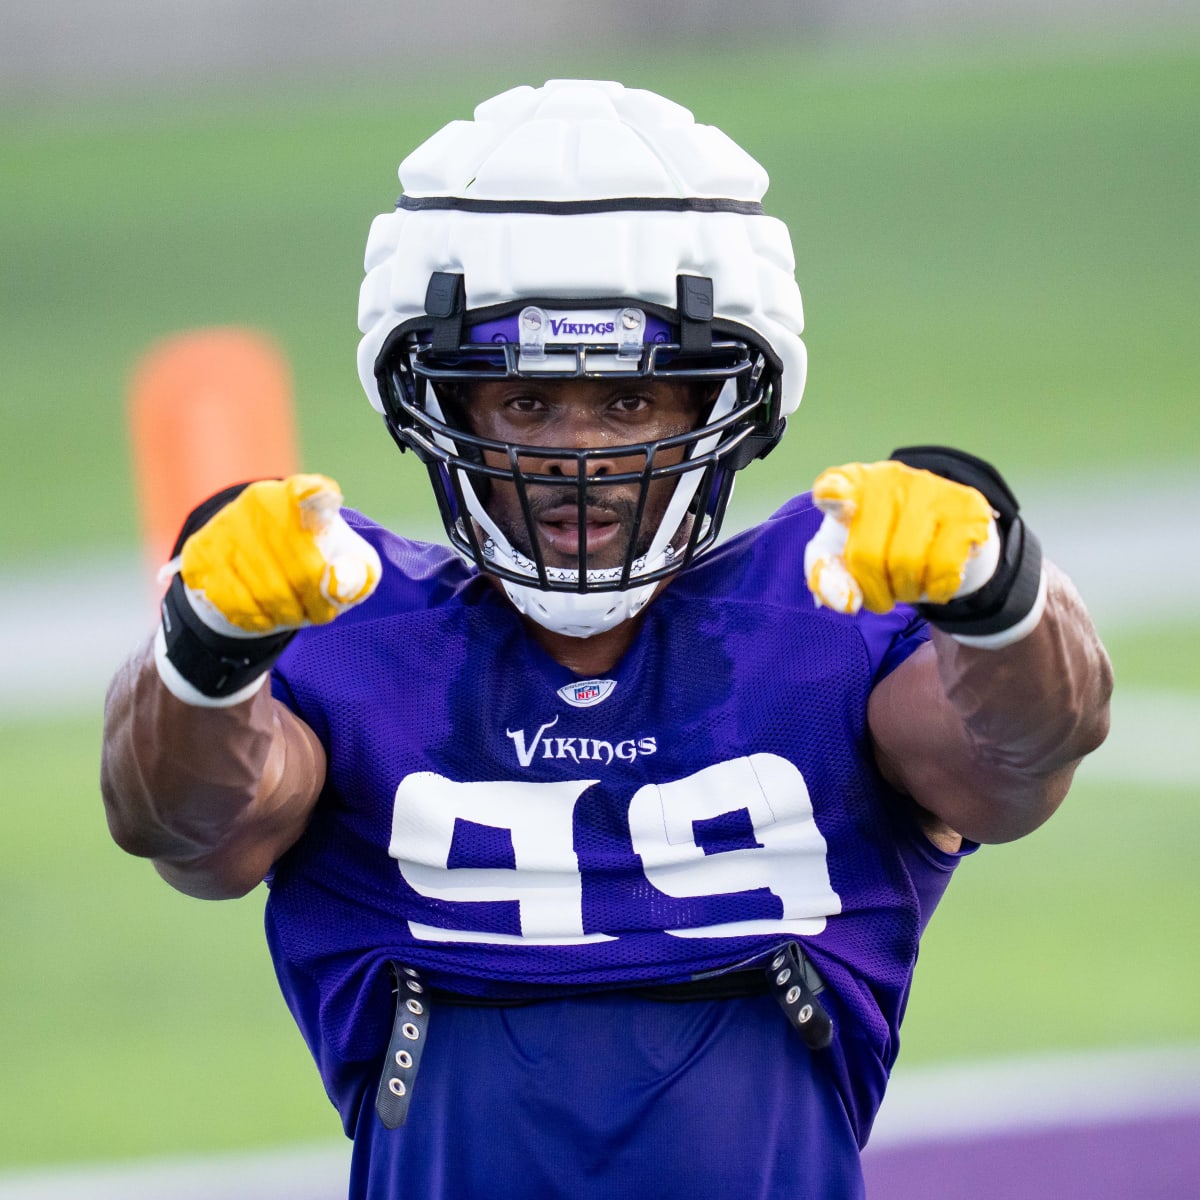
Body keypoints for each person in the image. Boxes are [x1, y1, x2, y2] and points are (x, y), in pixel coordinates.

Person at [101, 79, 1112, 1199]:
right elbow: (185, 833)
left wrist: (1001, 596)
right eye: (525, 404)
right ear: (436, 402)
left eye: (629, 403)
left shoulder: (825, 608)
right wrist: (204, 650)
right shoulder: (347, 625)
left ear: (724, 400)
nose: (577, 454)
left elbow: (1023, 766)